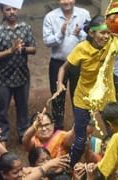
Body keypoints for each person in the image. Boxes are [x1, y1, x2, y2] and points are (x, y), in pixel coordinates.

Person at [50, 15, 118, 167]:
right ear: (92, 33)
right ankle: (68, 168)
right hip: (84, 97)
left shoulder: (113, 43)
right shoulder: (82, 48)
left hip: (106, 96)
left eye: (108, 33)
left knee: (115, 133)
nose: (106, 36)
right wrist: (59, 84)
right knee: (80, 140)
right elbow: (63, 68)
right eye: (102, 33)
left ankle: (113, 166)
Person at [0, 4, 36, 144]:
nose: (12, 12)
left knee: (23, 107)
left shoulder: (25, 28)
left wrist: (23, 48)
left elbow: (33, 49)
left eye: (14, 9)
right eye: (8, 10)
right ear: (2, 11)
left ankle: (23, 134)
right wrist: (11, 50)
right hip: (3, 78)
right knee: (2, 110)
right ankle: (2, 136)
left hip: (22, 76)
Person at [43, 0, 91, 130]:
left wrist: (79, 33)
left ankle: (80, 128)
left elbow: (91, 38)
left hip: (78, 63)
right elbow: (47, 41)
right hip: (57, 63)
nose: (66, 2)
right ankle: (58, 129)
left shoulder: (84, 14)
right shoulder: (50, 17)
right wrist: (60, 34)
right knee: (57, 97)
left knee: (79, 96)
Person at [0, 152, 70, 180]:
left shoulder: (19, 172)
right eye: (15, 172)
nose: (21, 174)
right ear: (3, 174)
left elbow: (32, 170)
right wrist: (48, 165)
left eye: (21, 169)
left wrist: (54, 166)